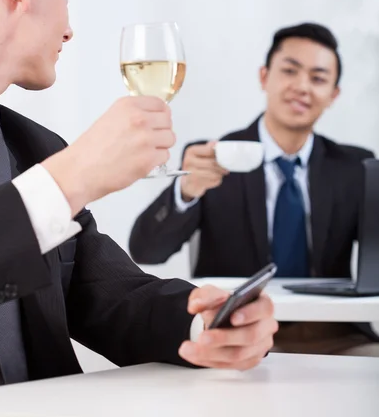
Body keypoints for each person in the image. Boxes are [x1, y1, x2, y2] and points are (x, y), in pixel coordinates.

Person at [0, 0, 277, 387]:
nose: (70, 29)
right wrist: (68, 181)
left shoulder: (30, 149)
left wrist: (202, 322)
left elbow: (103, 296)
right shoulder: (56, 170)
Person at [129, 22, 379, 355]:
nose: (302, 87)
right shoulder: (213, 157)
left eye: (318, 78)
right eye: (290, 71)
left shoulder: (355, 166)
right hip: (238, 332)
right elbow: (146, 250)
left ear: (333, 95)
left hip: (334, 332)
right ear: (264, 76)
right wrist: (186, 190)